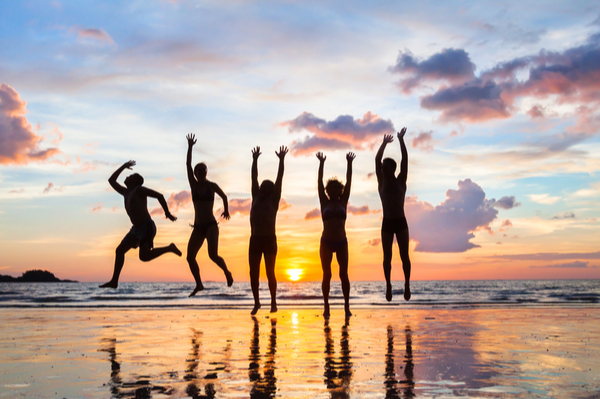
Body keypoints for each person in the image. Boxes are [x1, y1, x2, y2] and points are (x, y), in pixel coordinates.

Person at [100, 160, 181, 289]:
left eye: (130, 176)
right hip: (135, 229)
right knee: (119, 250)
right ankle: (114, 281)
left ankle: (169, 248)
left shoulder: (139, 190)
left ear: (135, 181)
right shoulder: (125, 192)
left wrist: (167, 213)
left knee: (143, 257)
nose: (127, 177)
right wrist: (123, 166)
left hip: (146, 227)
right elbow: (111, 180)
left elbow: (159, 196)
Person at [185, 134, 234, 297]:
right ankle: (199, 284)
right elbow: (187, 164)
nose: (200, 172)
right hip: (198, 227)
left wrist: (226, 210)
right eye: (198, 171)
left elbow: (224, 196)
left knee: (213, 255)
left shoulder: (211, 186)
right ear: (195, 173)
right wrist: (190, 146)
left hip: (211, 225)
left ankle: (227, 272)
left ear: (206, 172)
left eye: (203, 170)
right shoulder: (193, 184)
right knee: (190, 257)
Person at [249, 145, 288, 315]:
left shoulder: (273, 200)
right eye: (262, 187)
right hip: (255, 240)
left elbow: (279, 179)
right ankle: (257, 302)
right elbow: (253, 178)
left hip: (269, 240)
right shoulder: (255, 197)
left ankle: (273, 302)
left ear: (271, 191)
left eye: (266, 187)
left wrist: (281, 160)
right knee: (253, 273)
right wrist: (255, 160)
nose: (263, 188)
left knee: (270, 272)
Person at [316, 151, 355, 318]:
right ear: (327, 190)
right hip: (326, 242)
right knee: (327, 274)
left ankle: (346, 307)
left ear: (339, 190)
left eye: (335, 187)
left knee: (343, 274)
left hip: (341, 242)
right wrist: (321, 163)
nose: (332, 190)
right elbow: (318, 182)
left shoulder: (343, 201)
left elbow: (349, 180)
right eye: (329, 187)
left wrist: (349, 163)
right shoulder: (324, 201)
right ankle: (326, 306)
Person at [375, 128, 411, 302]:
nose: (383, 170)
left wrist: (401, 140)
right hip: (387, 223)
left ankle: (407, 284)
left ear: (393, 169)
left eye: (386, 168)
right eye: (382, 168)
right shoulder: (381, 182)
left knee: (405, 256)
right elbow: (376, 160)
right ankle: (388, 284)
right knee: (387, 257)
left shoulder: (401, 181)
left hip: (401, 222)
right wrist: (383, 144)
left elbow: (405, 160)